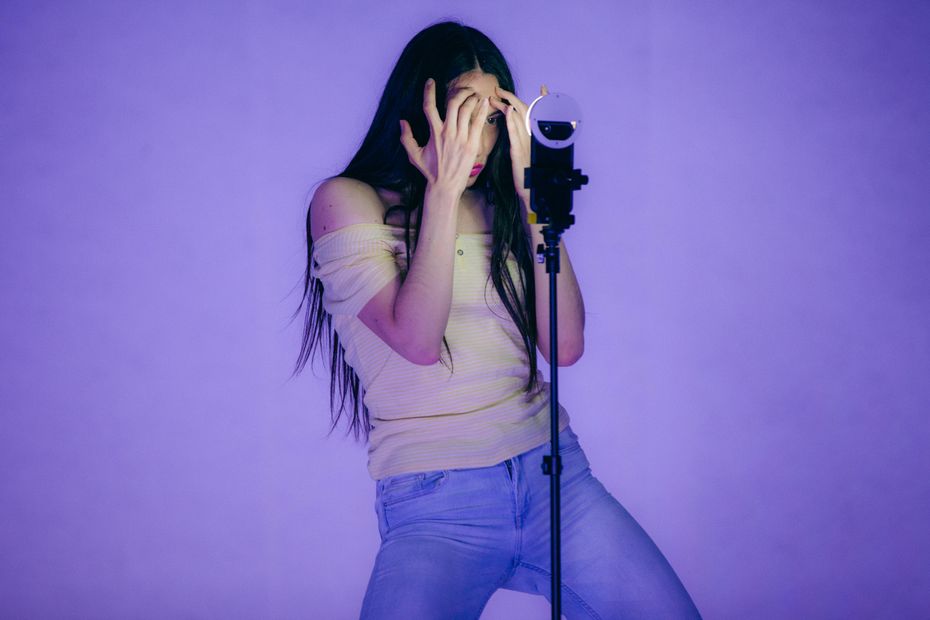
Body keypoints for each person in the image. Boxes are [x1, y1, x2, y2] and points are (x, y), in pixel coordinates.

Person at [293, 20, 702, 619]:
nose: (479, 143)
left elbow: (564, 347)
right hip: (437, 506)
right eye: (464, 114)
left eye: (493, 120)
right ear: (418, 107)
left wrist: (536, 206)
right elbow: (416, 340)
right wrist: (441, 191)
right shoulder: (346, 200)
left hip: (555, 483)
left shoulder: (504, 204)